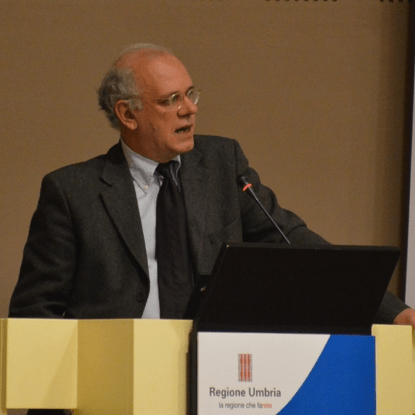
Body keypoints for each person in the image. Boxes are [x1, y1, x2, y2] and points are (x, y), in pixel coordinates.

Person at [8, 43, 415, 414]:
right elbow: (37, 312)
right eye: (171, 100)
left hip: (219, 382)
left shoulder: (222, 163)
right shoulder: (72, 192)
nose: (189, 109)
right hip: (114, 389)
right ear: (127, 114)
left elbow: (292, 240)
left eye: (190, 94)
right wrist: (52, 405)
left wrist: (395, 312)